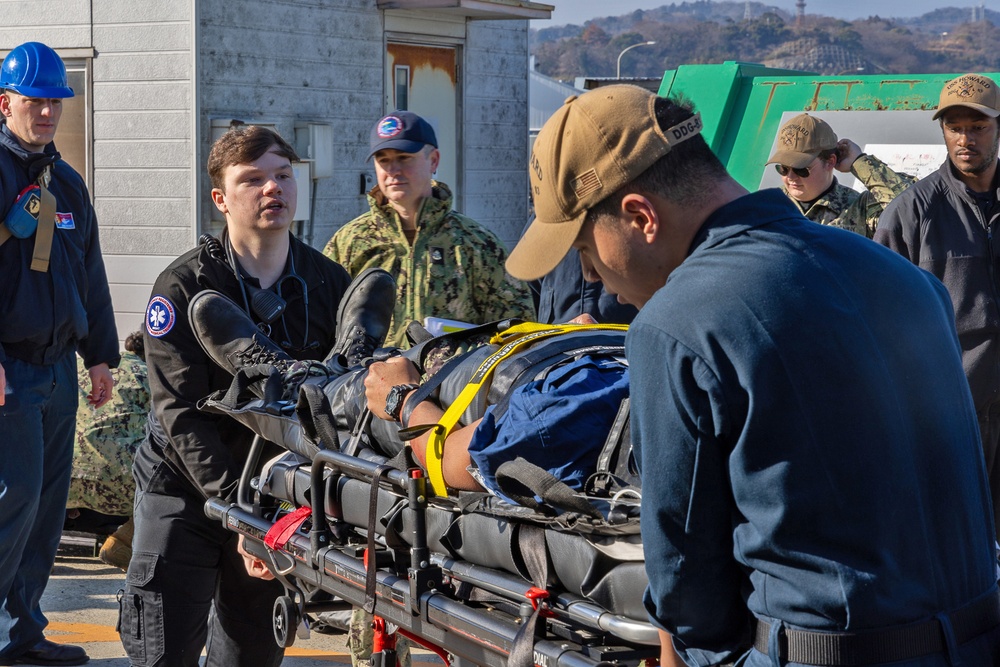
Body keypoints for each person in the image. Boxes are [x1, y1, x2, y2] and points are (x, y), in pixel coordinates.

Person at [505, 85, 1000, 667]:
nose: (590, 274)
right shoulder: (904, 277)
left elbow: (688, 582)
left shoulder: (676, 324)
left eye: (585, 247)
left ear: (640, 216)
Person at [118, 124, 392, 667]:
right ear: (221, 198)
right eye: (253, 179)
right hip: (186, 486)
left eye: (284, 176)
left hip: (274, 490)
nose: (274, 189)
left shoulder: (329, 283)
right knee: (163, 650)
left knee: (252, 654)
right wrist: (241, 514)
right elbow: (179, 415)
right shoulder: (182, 288)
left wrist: (277, 511)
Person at [0, 42, 119, 667]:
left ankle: (23, 636)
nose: (46, 112)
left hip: (57, 371)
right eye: (35, 101)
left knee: (46, 512)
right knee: (9, 501)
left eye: (54, 102)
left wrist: (99, 356)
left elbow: (88, 275)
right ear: (5, 103)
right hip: (8, 372)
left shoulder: (66, 181)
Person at [875, 72, 1000, 539]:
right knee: (956, 539)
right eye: (954, 127)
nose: (965, 138)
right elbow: (879, 320)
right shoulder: (912, 211)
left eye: (978, 126)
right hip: (951, 413)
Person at [323, 110, 535, 348]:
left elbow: (518, 331)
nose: (393, 170)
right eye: (383, 160)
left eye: (404, 157)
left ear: (433, 160)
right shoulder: (348, 243)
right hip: (368, 382)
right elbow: (321, 325)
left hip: (451, 382)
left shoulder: (477, 245)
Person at [66, 330, 149, 571]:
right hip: (119, 493)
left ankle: (36, 549)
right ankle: (125, 541)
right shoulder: (153, 377)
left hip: (60, 482)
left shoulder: (86, 369)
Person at [766, 113, 913, 238]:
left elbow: (909, 208)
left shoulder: (858, 208)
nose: (790, 177)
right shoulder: (768, 206)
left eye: (801, 169)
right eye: (783, 168)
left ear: (830, 162)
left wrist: (859, 162)